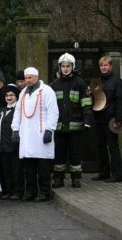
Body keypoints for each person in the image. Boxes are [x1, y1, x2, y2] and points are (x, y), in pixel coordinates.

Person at [11, 67, 59, 202]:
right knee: (28, 166)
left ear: (36, 77)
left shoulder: (47, 91)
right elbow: (18, 112)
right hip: (26, 134)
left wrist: (50, 129)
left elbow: (53, 112)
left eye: (30, 77)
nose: (27, 80)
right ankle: (31, 191)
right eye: (26, 78)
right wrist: (15, 129)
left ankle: (45, 192)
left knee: (43, 165)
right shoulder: (23, 93)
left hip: (41, 132)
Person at [50, 53, 92, 188]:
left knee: (75, 154)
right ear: (60, 67)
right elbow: (49, 107)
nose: (66, 69)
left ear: (72, 67)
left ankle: (76, 178)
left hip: (76, 127)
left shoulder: (80, 83)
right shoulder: (54, 85)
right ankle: (58, 179)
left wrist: (87, 120)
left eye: (68, 66)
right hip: (59, 127)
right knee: (59, 154)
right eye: (63, 66)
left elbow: (86, 103)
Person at [91, 56, 122, 182]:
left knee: (113, 147)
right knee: (100, 146)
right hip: (98, 119)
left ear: (110, 66)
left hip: (112, 120)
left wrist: (119, 119)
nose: (103, 67)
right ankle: (104, 173)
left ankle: (118, 175)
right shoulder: (97, 82)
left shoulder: (117, 81)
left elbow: (120, 101)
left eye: (106, 65)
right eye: (101, 65)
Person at [0, 84, 23, 200]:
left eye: (12, 95)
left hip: (14, 145)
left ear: (16, 96)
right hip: (2, 145)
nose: (9, 97)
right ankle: (7, 190)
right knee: (5, 170)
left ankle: (17, 191)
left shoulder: (19, 110)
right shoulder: (1, 110)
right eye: (7, 95)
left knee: (16, 170)